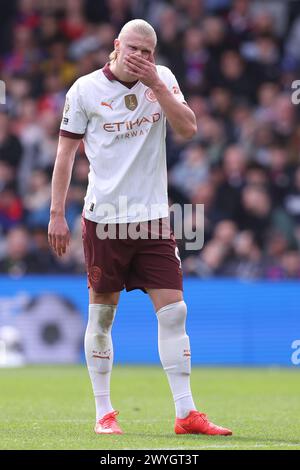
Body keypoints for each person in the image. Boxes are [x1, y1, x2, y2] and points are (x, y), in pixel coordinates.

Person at [48, 19, 232, 436]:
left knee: (174, 312)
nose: (142, 58)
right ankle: (103, 413)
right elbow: (65, 154)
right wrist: (56, 212)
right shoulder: (84, 90)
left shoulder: (162, 79)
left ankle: (186, 413)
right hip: (104, 221)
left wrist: (159, 87)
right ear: (116, 45)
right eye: (134, 49)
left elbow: (188, 129)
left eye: (149, 52)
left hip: (152, 220)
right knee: (101, 318)